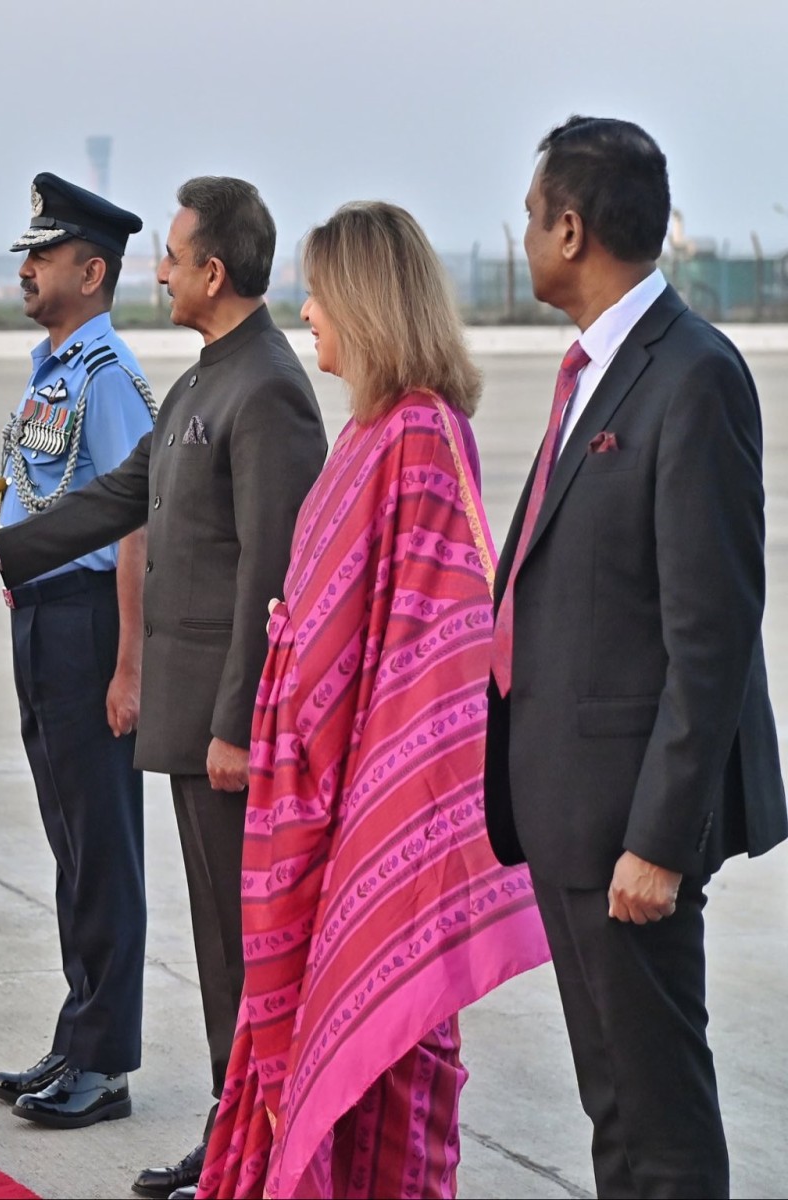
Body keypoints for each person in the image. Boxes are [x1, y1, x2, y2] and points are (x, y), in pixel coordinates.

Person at [0, 176, 328, 1198]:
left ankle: (242, 1139)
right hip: (175, 700)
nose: (156, 272)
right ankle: (231, 1135)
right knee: (216, 940)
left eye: (169, 256)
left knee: (238, 943)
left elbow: (273, 573)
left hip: (222, 719)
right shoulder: (212, 376)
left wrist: (235, 717)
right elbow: (119, 495)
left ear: (212, 270)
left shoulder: (266, 388)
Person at [197, 201, 550, 1200]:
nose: (305, 309)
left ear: (365, 301)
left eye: (319, 290)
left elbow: (439, 656)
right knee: (290, 1040)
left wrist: (379, 819)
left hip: (366, 807)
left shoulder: (422, 436)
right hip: (302, 799)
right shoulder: (364, 432)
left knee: (375, 1047)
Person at [484, 116, 786, 1199]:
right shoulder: (592, 375)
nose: (521, 239)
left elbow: (708, 631)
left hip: (627, 827)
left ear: (570, 229)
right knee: (613, 1103)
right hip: (569, 809)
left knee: (657, 1118)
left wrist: (659, 840)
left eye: (529, 219)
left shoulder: (689, 375)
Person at [0, 173, 155, 1130]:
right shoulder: (50, 367)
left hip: (90, 621)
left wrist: (130, 665)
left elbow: (136, 527)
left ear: (92, 271)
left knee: (105, 845)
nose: (28, 266)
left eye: (43, 254)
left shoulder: (109, 378)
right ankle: (78, 1030)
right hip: (39, 615)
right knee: (70, 841)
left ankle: (107, 1062)